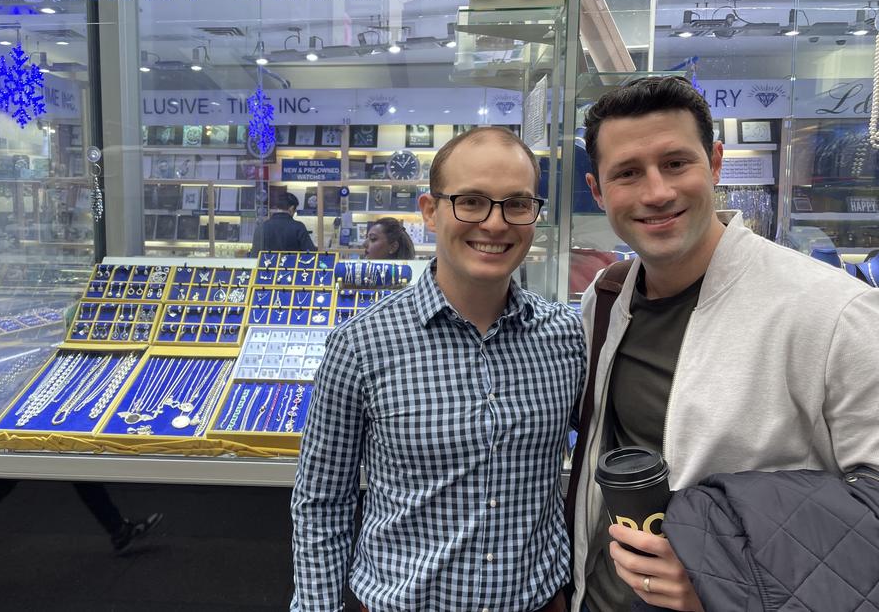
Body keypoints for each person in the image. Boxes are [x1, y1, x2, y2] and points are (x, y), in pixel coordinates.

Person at [569, 75, 879, 612]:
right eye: (627, 173)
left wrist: (726, 580)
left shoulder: (833, 311)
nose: (657, 192)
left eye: (675, 163)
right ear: (598, 192)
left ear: (714, 163)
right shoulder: (608, 298)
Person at [291, 127, 585, 612]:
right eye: (470, 201)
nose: (495, 224)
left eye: (516, 204)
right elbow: (323, 500)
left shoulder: (566, 338)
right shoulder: (362, 344)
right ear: (430, 212)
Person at [250, 192, 316, 254]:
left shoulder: (261, 227)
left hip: (267, 265)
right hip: (291, 265)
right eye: (295, 211)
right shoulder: (298, 227)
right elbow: (310, 252)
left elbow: (255, 254)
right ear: (291, 208)